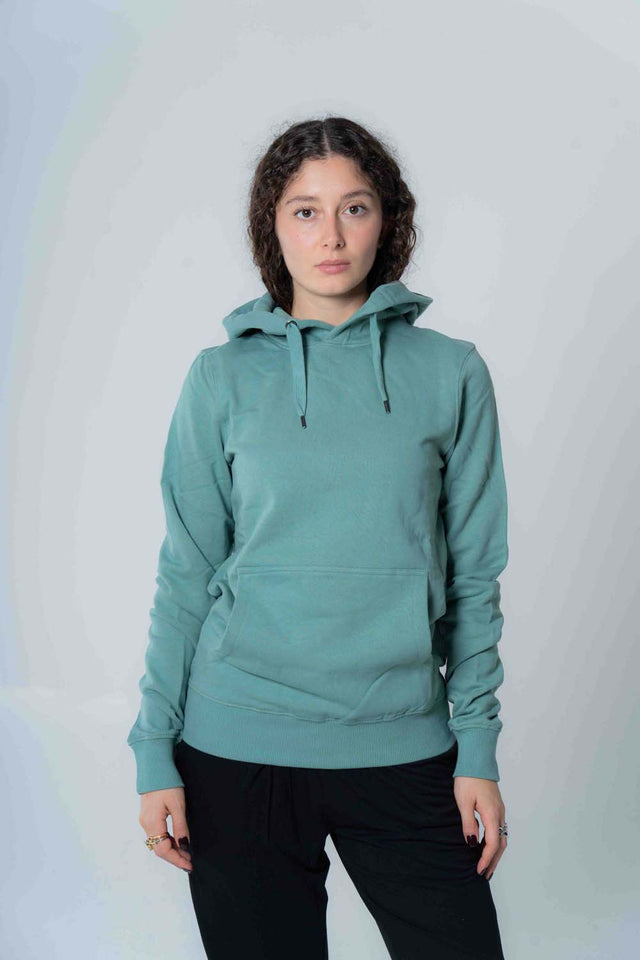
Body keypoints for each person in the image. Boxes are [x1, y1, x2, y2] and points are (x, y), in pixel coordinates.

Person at [127, 116, 510, 959]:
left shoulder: (451, 372)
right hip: (236, 747)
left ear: (387, 220)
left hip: (403, 742)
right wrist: (154, 750)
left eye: (354, 207)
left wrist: (477, 748)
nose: (330, 236)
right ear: (272, 225)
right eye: (305, 211)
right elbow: (187, 572)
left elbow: (476, 576)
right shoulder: (220, 378)